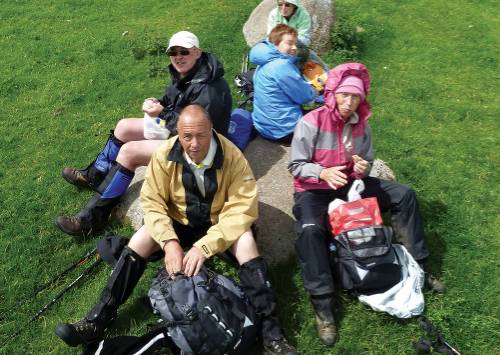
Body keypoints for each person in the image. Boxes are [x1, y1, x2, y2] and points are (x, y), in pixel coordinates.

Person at [55, 105, 298, 355]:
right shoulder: (165, 155)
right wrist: (170, 242)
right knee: (140, 239)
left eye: (201, 135)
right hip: (180, 221)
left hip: (216, 223)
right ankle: (97, 320)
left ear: (211, 130)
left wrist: (204, 247)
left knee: (246, 242)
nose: (193, 144)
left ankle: (273, 334)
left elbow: (241, 209)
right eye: (186, 136)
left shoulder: (232, 157)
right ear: (178, 134)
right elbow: (152, 201)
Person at [288, 63, 446, 346]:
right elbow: (296, 165)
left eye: (355, 97)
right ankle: (323, 304)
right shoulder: (311, 122)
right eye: (344, 95)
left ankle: (419, 267)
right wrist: (322, 172)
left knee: (404, 194)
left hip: (349, 185)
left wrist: (362, 168)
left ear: (362, 99)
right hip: (314, 191)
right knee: (310, 230)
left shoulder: (362, 126)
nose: (349, 103)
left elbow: (367, 162)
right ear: (333, 92)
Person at [56, 31, 232, 237]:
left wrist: (163, 113)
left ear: (197, 52)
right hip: (178, 128)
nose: (178, 56)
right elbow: (172, 99)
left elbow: (196, 134)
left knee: (129, 152)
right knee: (123, 127)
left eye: (184, 51)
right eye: (173, 52)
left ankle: (91, 220)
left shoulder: (210, 90)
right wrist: (158, 103)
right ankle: (94, 176)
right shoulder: (189, 72)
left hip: (199, 150)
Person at [250, 24, 316, 142]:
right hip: (284, 130)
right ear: (276, 43)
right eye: (289, 43)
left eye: (295, 43)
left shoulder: (263, 61)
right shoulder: (281, 66)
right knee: (326, 116)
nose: (294, 47)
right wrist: (315, 90)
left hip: (262, 126)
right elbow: (305, 97)